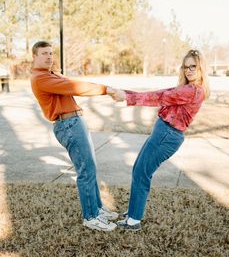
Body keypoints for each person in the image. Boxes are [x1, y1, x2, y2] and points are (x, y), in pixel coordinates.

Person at [108, 49, 210, 231]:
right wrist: (126, 93)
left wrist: (128, 97)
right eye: (186, 67)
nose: (189, 70)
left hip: (167, 135)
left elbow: (160, 97)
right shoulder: (187, 89)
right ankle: (133, 212)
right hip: (163, 132)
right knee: (139, 169)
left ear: (201, 67)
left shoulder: (192, 91)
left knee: (142, 173)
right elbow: (163, 93)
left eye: (193, 66)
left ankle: (133, 221)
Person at [31, 41, 118, 231]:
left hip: (75, 122)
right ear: (34, 57)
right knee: (85, 171)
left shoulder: (51, 75)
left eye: (51, 53)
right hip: (68, 124)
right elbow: (75, 86)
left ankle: (98, 208)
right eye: (44, 53)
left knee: (91, 168)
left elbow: (69, 83)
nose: (49, 57)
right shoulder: (41, 78)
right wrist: (106, 89)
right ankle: (91, 217)